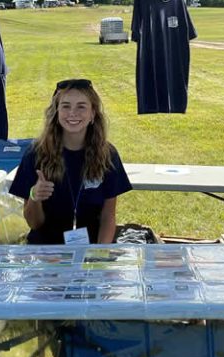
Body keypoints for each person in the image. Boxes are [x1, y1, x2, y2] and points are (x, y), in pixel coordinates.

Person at [9, 79, 132, 244]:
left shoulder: (107, 155)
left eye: (81, 106)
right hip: (46, 251)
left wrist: (100, 253)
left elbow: (108, 216)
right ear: (56, 112)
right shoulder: (36, 153)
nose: (72, 113)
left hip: (91, 250)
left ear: (93, 114)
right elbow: (34, 223)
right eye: (66, 106)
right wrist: (34, 196)